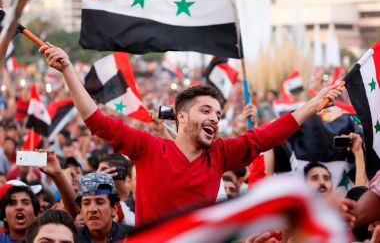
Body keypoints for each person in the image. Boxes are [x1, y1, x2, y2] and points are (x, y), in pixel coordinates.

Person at [40, 43, 344, 225]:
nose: (215, 117)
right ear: (181, 116)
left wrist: (316, 103)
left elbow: (268, 135)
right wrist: (68, 71)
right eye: (206, 110)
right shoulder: (147, 147)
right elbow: (97, 122)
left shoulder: (221, 154)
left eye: (218, 114)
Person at [75, 172, 133, 242]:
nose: (92, 209)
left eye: (99, 202)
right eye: (86, 203)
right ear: (80, 209)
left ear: (114, 208)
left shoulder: (132, 237)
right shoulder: (72, 239)